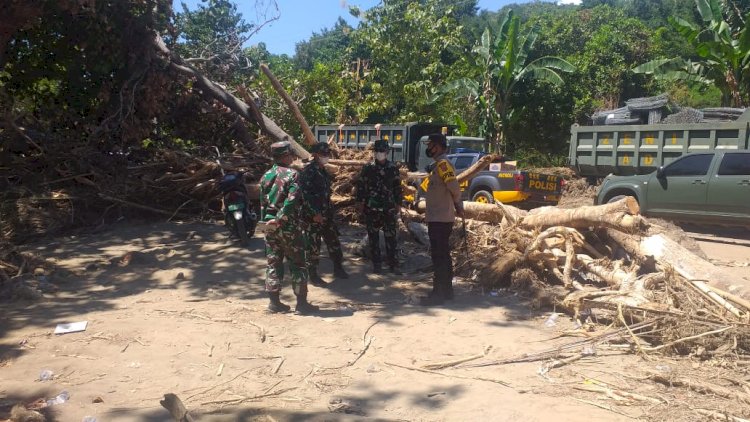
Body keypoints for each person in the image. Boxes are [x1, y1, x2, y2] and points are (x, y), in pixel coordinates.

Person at [259, 141, 318, 314]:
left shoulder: (266, 175)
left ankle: (274, 303)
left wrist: (267, 222)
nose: (292, 157)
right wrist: (280, 219)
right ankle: (301, 304)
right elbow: (292, 200)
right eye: (290, 154)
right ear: (285, 155)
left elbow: (263, 203)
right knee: (298, 263)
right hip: (287, 226)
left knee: (273, 262)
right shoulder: (293, 175)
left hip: (269, 226)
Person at [420, 133, 464, 306]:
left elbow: (454, 187)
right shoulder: (437, 165)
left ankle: (438, 294)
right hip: (437, 216)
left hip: (441, 218)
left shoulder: (443, 164)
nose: (428, 148)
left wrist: (458, 204)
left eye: (431, 145)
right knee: (442, 255)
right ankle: (446, 292)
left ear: (438, 146)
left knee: (439, 256)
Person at [299, 142, 349, 286]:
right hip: (313, 216)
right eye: (323, 154)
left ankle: (338, 268)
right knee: (313, 245)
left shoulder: (323, 171)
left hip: (327, 213)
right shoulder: (308, 172)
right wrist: (314, 213)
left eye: (327, 154)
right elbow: (305, 195)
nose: (326, 156)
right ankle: (313, 274)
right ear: (314, 155)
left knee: (333, 241)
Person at [356, 139, 402, 273]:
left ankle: (392, 264)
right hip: (372, 207)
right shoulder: (368, 168)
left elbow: (397, 187)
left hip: (388, 208)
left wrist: (398, 203)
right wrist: (359, 202)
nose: (379, 153)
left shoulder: (392, 168)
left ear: (387, 152)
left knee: (391, 237)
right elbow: (361, 186)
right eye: (377, 151)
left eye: (382, 151)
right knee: (373, 237)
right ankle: (377, 265)